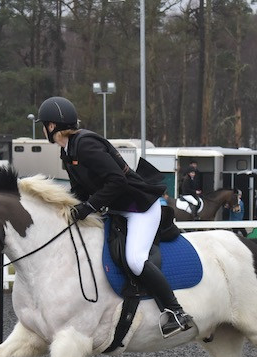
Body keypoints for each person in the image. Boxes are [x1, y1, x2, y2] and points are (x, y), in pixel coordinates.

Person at [36, 96, 194, 337]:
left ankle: (175, 312)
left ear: (51, 126)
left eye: (44, 125)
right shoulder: (68, 151)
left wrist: (88, 207)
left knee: (135, 260)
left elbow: (117, 181)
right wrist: (67, 209)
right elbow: (80, 189)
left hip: (139, 208)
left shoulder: (86, 145)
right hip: (118, 209)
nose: (44, 130)